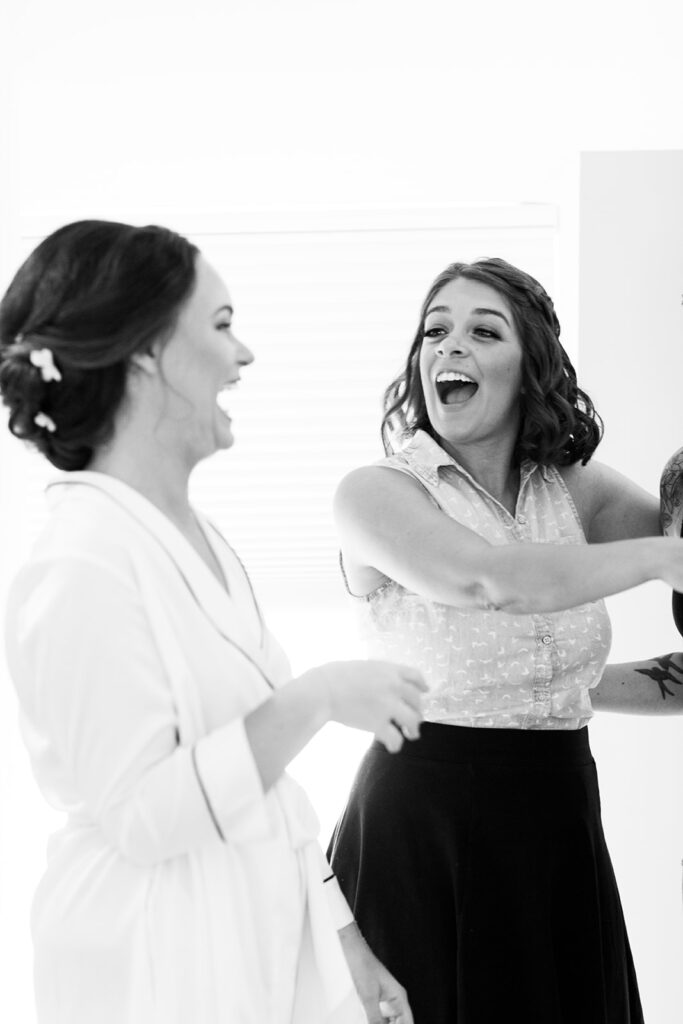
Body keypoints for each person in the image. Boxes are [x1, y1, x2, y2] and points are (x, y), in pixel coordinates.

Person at [0, 220, 427, 1024]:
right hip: (148, 966)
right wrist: (321, 697)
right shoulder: (80, 565)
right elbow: (144, 815)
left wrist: (343, 938)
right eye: (223, 325)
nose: (244, 355)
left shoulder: (203, 541)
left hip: (244, 948)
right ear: (150, 351)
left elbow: (265, 785)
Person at [327, 257, 683, 1024]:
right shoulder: (375, 494)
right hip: (420, 828)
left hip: (557, 814)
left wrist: (576, 687)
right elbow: (484, 581)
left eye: (482, 331)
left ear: (532, 367)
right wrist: (662, 557)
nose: (447, 348)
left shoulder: (574, 489)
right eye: (434, 330)